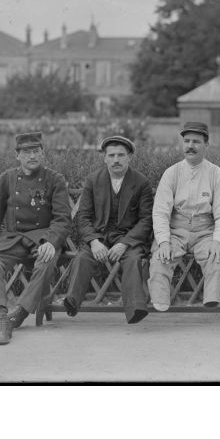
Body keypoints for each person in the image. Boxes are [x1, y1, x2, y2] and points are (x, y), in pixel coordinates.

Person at [0, 132, 71, 345]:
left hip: (43, 238)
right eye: (26, 152)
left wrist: (51, 242)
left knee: (46, 261)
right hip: (13, 238)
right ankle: (1, 317)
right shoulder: (7, 178)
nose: (32, 156)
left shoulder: (54, 179)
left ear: (43, 153)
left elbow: (63, 218)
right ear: (17, 155)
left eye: (36, 151)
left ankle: (18, 314)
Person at [64, 136, 153, 324]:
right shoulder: (93, 180)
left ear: (129, 157)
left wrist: (124, 243)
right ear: (104, 158)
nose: (116, 160)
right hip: (100, 236)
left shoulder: (141, 182)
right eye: (111, 155)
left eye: (121, 155)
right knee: (83, 256)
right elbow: (83, 216)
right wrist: (94, 242)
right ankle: (72, 300)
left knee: (133, 260)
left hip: (128, 238)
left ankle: (136, 308)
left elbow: (146, 220)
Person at [148, 122, 220, 310]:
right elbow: (161, 211)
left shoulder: (216, 174)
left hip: (206, 230)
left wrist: (217, 241)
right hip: (176, 230)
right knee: (161, 257)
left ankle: (211, 299)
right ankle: (160, 300)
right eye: (186, 141)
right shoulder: (171, 173)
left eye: (196, 141)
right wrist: (163, 241)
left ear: (206, 145)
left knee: (216, 257)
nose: (190, 146)